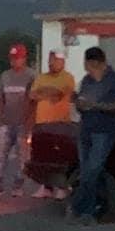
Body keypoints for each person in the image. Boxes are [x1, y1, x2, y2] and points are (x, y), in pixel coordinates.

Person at [71, 47, 115, 225]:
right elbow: (81, 105)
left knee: (92, 169)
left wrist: (96, 105)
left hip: (104, 131)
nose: (86, 67)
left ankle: (82, 209)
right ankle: (89, 208)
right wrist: (78, 103)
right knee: (86, 170)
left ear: (95, 62)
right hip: (86, 129)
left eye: (87, 63)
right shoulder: (86, 81)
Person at [0, 44, 36, 197]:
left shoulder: (31, 76)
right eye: (12, 58)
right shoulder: (5, 75)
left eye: (17, 58)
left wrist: (29, 123)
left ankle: (18, 186)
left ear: (24, 58)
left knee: (22, 157)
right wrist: (0, 117)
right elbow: (0, 97)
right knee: (1, 155)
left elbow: (33, 101)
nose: (14, 62)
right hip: (7, 122)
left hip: (23, 122)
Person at [30, 49, 76, 200]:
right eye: (50, 60)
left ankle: (62, 187)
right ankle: (46, 187)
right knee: (43, 157)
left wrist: (44, 91)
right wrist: (48, 92)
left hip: (60, 125)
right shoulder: (41, 77)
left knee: (60, 158)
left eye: (55, 60)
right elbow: (33, 95)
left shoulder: (68, 78)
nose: (51, 63)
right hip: (42, 123)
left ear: (62, 62)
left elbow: (59, 95)